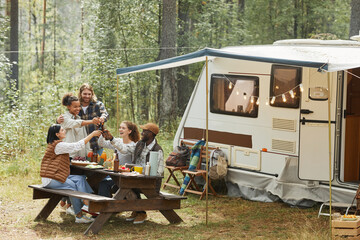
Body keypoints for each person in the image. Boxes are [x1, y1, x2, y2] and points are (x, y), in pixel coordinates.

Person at [101, 123, 164, 224]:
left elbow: (159, 172)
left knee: (125, 186)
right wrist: (112, 139)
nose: (142, 133)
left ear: (151, 134)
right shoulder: (140, 144)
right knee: (119, 185)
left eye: (145, 131)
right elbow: (125, 150)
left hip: (150, 182)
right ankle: (136, 210)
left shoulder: (157, 150)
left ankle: (141, 212)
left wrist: (142, 173)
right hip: (136, 178)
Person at [40, 124, 102, 223]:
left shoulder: (56, 144)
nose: (64, 131)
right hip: (50, 179)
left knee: (80, 178)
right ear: (57, 134)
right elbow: (76, 146)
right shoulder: (58, 145)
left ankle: (86, 201)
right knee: (73, 187)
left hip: (55, 176)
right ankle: (79, 216)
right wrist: (92, 134)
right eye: (62, 130)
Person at [57, 83, 109, 153]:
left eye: (89, 94)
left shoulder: (97, 105)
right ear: (80, 94)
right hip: (81, 143)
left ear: (92, 94)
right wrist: (57, 120)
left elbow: (105, 114)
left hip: (96, 142)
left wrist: (102, 117)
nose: (87, 96)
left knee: (99, 162)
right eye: (85, 94)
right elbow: (69, 120)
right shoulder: (76, 104)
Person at [97, 121, 140, 197]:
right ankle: (103, 205)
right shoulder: (118, 141)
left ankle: (105, 206)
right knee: (99, 181)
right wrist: (102, 134)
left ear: (129, 131)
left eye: (123, 128)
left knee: (104, 183)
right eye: (120, 127)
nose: (120, 129)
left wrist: (112, 139)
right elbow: (101, 143)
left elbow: (123, 149)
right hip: (116, 175)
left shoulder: (134, 145)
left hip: (126, 177)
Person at [60, 93, 101, 158]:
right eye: (75, 107)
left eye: (79, 106)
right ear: (68, 107)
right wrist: (92, 121)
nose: (78, 109)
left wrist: (88, 152)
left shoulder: (79, 118)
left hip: (80, 156)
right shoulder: (64, 118)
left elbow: (85, 136)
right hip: (69, 155)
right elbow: (75, 123)